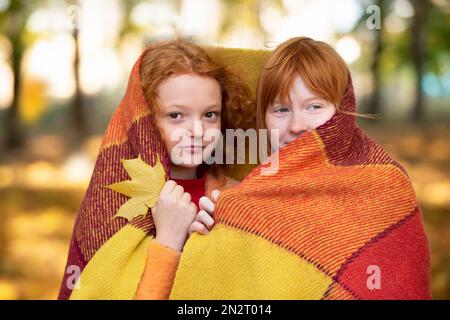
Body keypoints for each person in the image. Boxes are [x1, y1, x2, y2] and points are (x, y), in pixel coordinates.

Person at [168, 37, 431, 300]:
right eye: (281, 109)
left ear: (342, 111)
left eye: (314, 106)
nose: (297, 125)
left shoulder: (384, 185)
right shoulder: (250, 197)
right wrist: (210, 242)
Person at [57, 40, 255, 300]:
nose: (197, 132)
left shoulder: (236, 195)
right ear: (145, 122)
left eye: (210, 115)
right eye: (176, 116)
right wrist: (169, 241)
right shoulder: (110, 203)